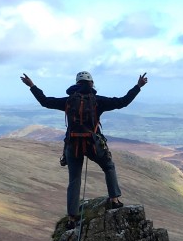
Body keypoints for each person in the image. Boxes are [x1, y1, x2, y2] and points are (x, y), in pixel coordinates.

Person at [21, 70, 147, 224]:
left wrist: (32, 85)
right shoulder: (97, 100)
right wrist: (138, 86)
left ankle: (72, 217)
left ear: (77, 84)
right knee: (108, 166)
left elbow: (45, 101)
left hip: (72, 145)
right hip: (93, 144)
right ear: (91, 83)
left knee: (74, 179)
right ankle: (114, 199)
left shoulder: (68, 101)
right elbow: (122, 102)